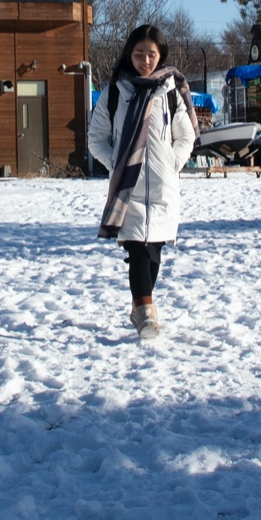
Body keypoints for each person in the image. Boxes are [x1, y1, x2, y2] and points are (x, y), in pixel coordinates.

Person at [87, 23, 196, 340]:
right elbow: (97, 139)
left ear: (160, 56)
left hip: (162, 187)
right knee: (136, 251)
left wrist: (172, 164)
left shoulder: (169, 90)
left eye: (151, 54)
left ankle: (139, 306)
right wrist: (118, 165)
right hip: (128, 189)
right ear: (129, 54)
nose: (145, 60)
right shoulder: (115, 91)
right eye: (139, 54)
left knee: (153, 256)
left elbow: (185, 135)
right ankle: (147, 316)